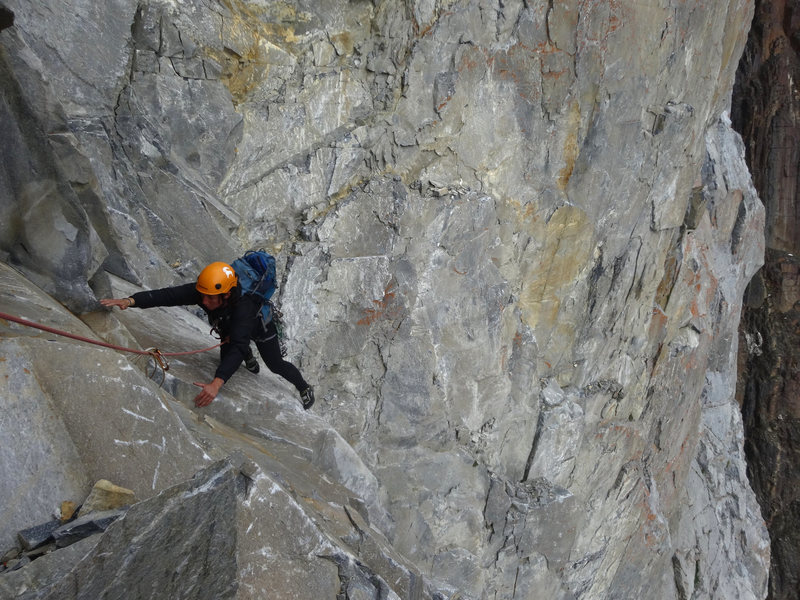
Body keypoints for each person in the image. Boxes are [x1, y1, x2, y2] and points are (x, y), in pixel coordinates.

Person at [100, 261, 314, 410]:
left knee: (275, 364)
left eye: (210, 298)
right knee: (227, 356)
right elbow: (168, 295)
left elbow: (239, 344)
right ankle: (248, 357)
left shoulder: (244, 308)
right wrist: (131, 301)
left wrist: (216, 384)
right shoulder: (208, 292)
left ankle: (304, 387)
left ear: (227, 294)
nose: (204, 302)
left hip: (259, 328)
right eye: (202, 296)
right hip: (231, 327)